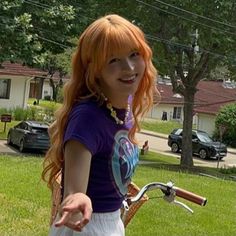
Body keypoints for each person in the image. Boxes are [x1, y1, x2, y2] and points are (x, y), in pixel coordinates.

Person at [42, 14, 158, 236]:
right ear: (94, 68)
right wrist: (77, 198)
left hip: (112, 223)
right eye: (113, 60)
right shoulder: (87, 117)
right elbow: (74, 191)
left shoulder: (124, 110)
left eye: (135, 54)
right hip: (85, 227)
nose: (129, 67)